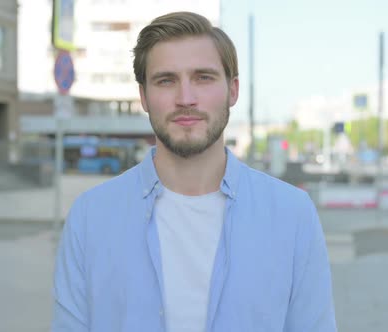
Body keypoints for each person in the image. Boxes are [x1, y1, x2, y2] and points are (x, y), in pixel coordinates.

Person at [52, 11, 336, 332]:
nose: (185, 99)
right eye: (166, 80)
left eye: (203, 77)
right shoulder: (91, 217)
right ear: (144, 96)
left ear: (233, 90)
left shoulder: (292, 214)